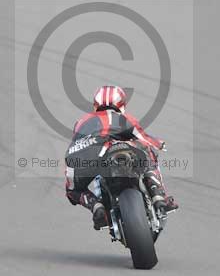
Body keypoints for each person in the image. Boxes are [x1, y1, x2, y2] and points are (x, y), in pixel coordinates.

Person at [64, 85, 178, 229]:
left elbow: (76, 143)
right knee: (149, 153)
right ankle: (159, 197)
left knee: (73, 190)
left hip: (81, 156)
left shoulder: (81, 122)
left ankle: (97, 208)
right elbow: (143, 138)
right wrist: (158, 144)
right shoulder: (124, 118)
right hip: (115, 150)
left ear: (95, 105)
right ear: (121, 105)